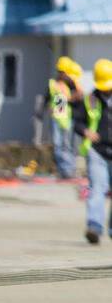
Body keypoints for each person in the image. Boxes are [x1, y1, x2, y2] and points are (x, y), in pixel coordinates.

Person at [73, 59, 112, 245]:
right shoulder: (90, 99)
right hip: (97, 150)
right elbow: (74, 120)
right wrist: (85, 131)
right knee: (98, 188)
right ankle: (94, 227)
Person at [38, 56, 83, 180]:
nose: (62, 74)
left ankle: (69, 170)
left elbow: (78, 99)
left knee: (67, 145)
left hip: (67, 118)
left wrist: (69, 98)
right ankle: (63, 171)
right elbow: (47, 98)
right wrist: (41, 112)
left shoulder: (72, 83)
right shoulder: (53, 84)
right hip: (57, 117)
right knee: (58, 144)